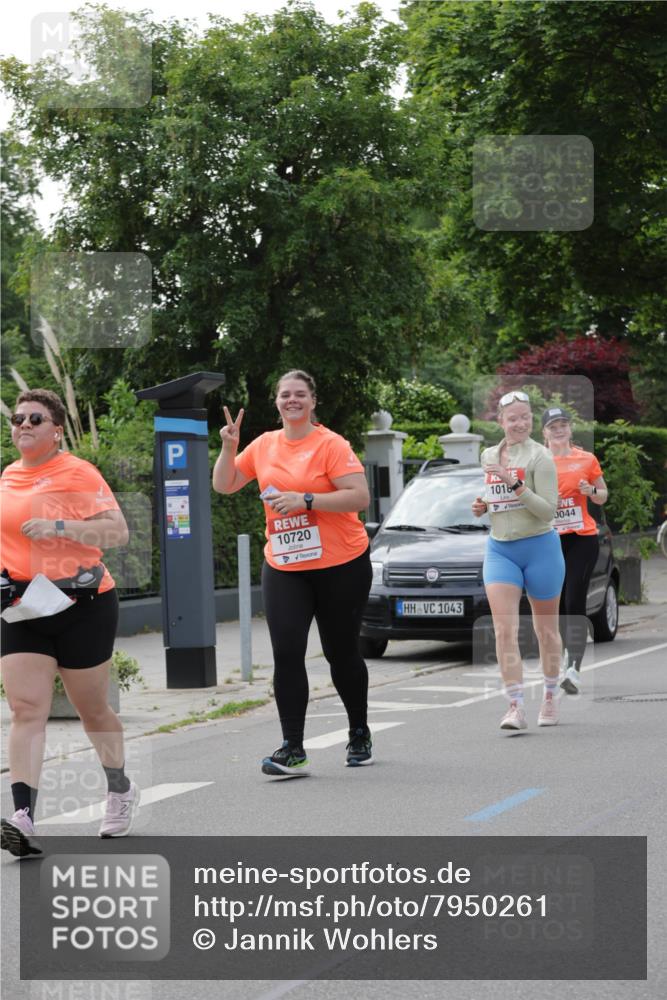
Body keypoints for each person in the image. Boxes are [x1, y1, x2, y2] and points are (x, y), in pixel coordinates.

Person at [212, 370, 373, 776]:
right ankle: (293, 748)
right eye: (285, 395)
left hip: (341, 564)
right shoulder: (264, 445)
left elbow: (359, 496)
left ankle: (358, 731)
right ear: (277, 402)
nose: (292, 400)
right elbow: (225, 484)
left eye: (300, 394)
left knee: (341, 652)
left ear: (312, 401)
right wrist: (229, 447)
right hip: (285, 565)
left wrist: (306, 500)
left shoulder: (331, 444)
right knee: (286, 652)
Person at [1, 389, 138, 857]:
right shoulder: (8, 476)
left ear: (56, 430)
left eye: (35, 419)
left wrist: (59, 527)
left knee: (92, 710)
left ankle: (119, 789)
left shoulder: (78, 472)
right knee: (25, 709)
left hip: (83, 604)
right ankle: (23, 818)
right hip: (24, 608)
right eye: (18, 418)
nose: (23, 425)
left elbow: (117, 531)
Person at [471, 390, 564, 732]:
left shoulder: (541, 457)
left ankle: (550, 695)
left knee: (546, 631)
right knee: (503, 629)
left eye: (526, 417)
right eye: (513, 418)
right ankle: (515, 706)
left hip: (540, 548)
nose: (520, 423)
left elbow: (548, 511)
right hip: (501, 550)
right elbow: (494, 497)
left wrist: (513, 481)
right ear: (501, 421)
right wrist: (483, 505)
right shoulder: (488, 455)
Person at [542, 406, 608, 694]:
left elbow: (603, 495)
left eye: (563, 425)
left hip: (582, 538)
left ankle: (574, 669)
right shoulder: (537, 462)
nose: (559, 430)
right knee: (555, 604)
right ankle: (562, 659)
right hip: (549, 541)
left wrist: (590, 491)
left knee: (574, 599)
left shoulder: (586, 459)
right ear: (544, 432)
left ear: (570, 429)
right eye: (553, 426)